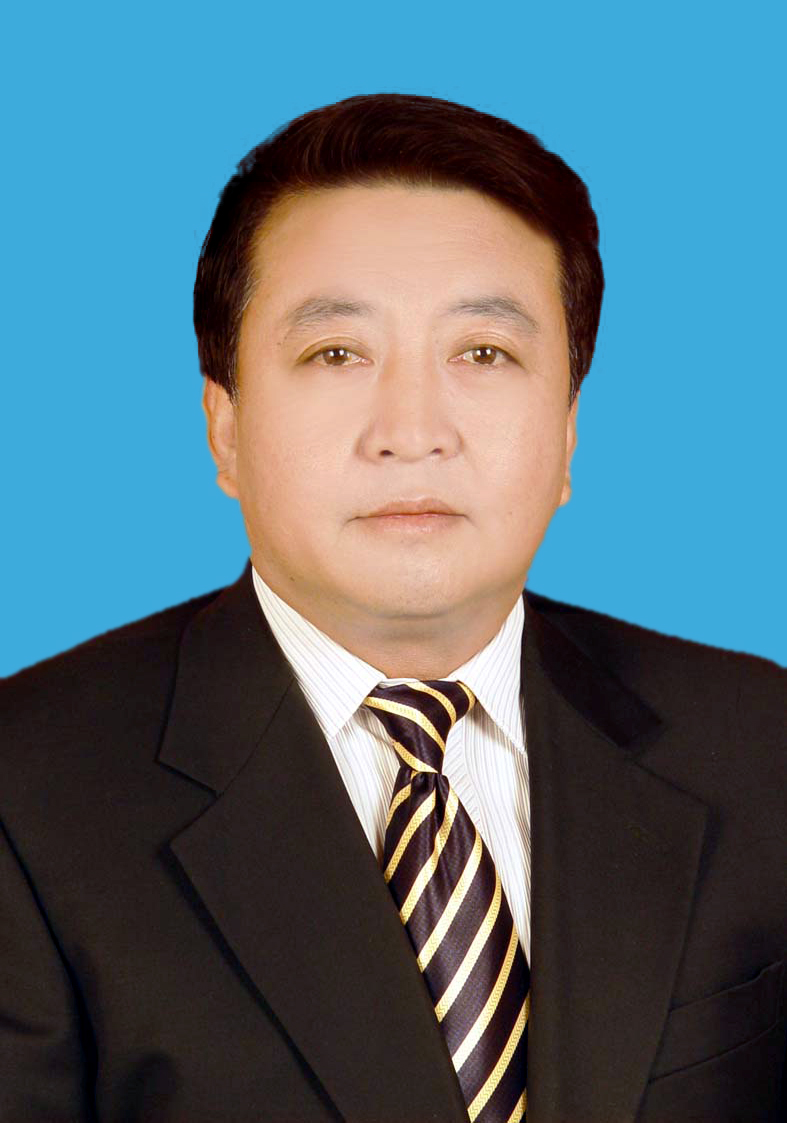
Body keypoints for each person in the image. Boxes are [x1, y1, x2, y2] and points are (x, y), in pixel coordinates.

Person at [1, 92, 784, 1124]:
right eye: (336, 354)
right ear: (224, 427)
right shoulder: (26, 788)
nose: (412, 431)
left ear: (567, 429)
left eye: (483, 353)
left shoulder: (759, 742)